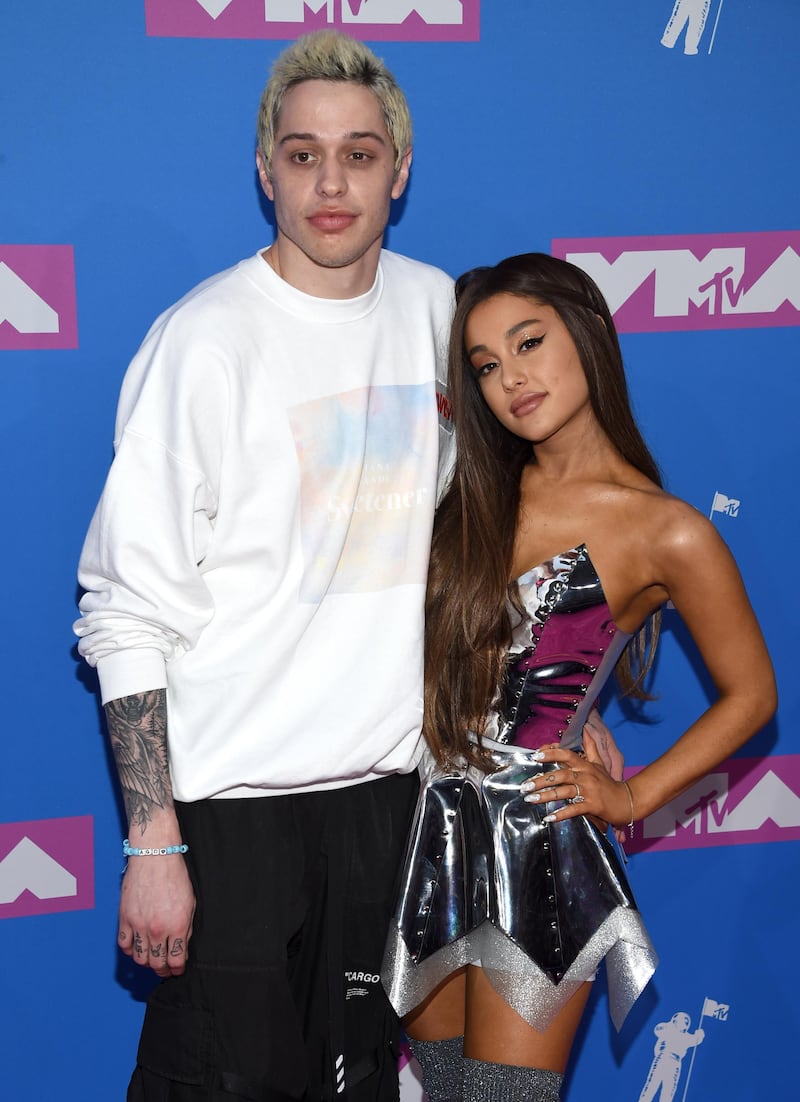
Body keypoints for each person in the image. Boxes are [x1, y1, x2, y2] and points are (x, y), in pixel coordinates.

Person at [74, 32, 623, 1100]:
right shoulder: (202, 341)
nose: (330, 182)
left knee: (368, 1083)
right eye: (302, 154)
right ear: (264, 170)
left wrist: (559, 690)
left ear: (399, 171)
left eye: (360, 154)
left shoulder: (443, 319)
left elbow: (496, 534)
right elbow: (124, 607)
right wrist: (153, 844)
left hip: (394, 807)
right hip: (234, 814)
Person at [381, 253, 776, 1102]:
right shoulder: (467, 488)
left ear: (589, 333)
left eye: (529, 343)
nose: (511, 379)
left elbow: (754, 696)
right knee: (439, 1090)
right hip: (422, 825)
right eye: (485, 365)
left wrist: (633, 798)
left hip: (536, 846)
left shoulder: (666, 531)